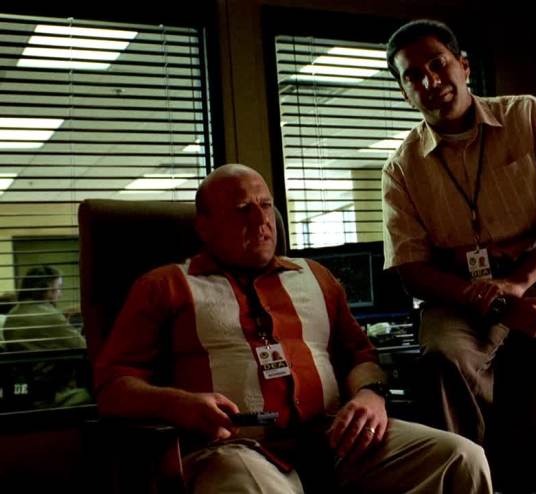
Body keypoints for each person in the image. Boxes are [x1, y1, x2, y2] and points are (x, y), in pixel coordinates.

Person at [93, 163, 492, 494]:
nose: (262, 220)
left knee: (462, 458)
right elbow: (113, 387)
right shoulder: (164, 285)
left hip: (335, 439)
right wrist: (178, 404)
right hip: (237, 448)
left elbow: (359, 355)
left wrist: (372, 396)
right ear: (205, 227)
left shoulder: (316, 276)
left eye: (266, 205)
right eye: (242, 209)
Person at [381, 19, 536, 490]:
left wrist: (517, 283)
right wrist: (495, 301)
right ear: (404, 91)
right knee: (444, 359)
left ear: (464, 66)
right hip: (459, 295)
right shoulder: (401, 167)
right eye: (413, 75)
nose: (429, 81)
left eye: (437, 64)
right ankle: (470, 482)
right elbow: (412, 270)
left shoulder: (527, 116)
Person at [2, 265, 91, 408]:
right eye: (58, 288)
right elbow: (84, 348)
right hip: (52, 395)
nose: (60, 294)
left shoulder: (13, 314)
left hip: (26, 393)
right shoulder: (50, 316)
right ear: (47, 290)